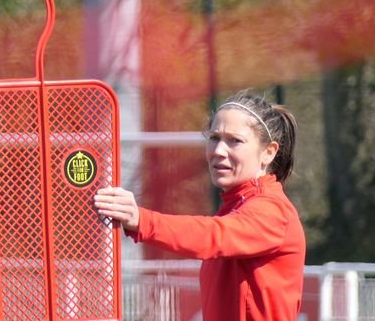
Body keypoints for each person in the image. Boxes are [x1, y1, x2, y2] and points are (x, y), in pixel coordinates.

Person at [94, 90, 306, 320]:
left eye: (234, 141)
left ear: (269, 152)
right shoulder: (237, 205)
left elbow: (213, 235)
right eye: (214, 138)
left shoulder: (272, 210)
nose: (218, 151)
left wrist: (141, 220)